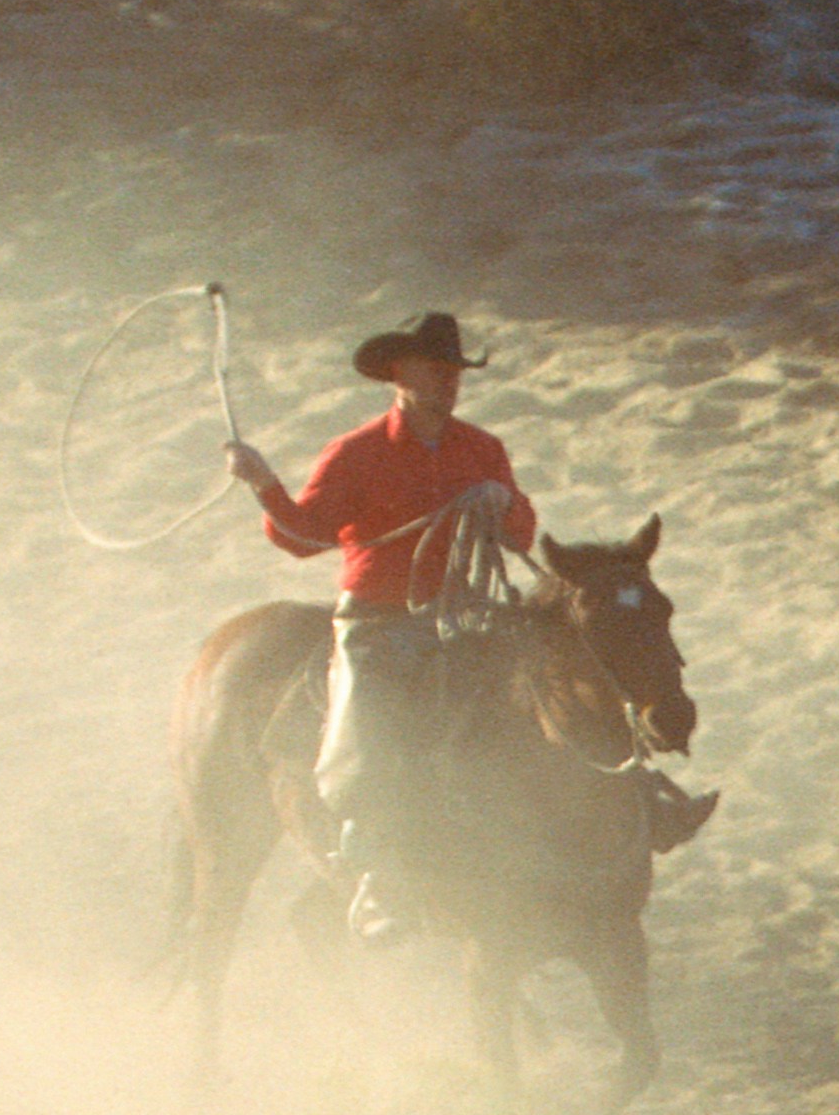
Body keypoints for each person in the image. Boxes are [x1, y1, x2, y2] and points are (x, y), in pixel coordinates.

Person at [230, 311, 712, 935]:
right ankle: (376, 874)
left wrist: (503, 502)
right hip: (379, 626)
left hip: (468, 617)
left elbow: (523, 531)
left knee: (569, 686)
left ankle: (640, 797)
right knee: (365, 742)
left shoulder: (482, 450)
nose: (449, 383)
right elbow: (304, 535)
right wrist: (265, 484)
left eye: (453, 372)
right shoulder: (356, 453)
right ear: (399, 374)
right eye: (436, 371)